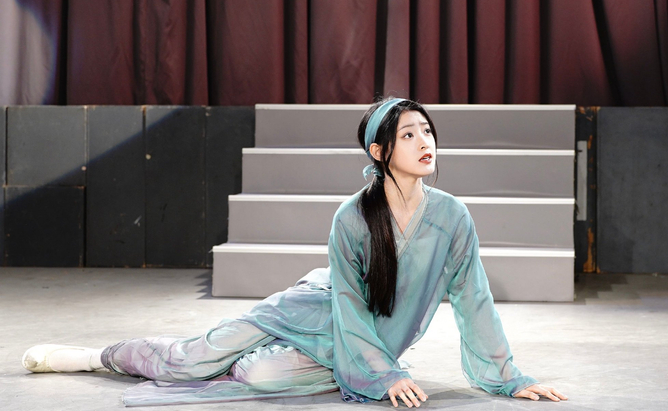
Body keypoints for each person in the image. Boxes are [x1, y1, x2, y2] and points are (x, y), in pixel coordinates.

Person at [22, 98, 567, 408]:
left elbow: (474, 299)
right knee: (194, 358)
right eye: (408, 135)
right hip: (314, 309)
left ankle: (328, 366)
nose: (426, 142)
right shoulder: (351, 217)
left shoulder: (452, 217)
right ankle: (97, 356)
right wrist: (382, 375)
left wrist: (509, 377)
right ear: (379, 151)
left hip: (364, 339)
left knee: (261, 378)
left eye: (427, 131)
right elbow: (348, 305)